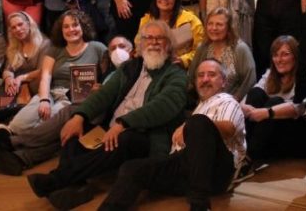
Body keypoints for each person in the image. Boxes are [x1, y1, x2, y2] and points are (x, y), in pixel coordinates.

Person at [25, 20, 187, 209]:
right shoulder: (130, 68)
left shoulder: (176, 74)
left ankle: (56, 180)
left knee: (124, 140)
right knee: (74, 130)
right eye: (148, 38)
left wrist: (123, 123)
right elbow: (104, 93)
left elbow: (163, 106)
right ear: (140, 44)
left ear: (168, 44)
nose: (153, 42)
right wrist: (80, 116)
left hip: (144, 135)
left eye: (159, 38)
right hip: (113, 127)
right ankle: (77, 188)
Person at [98, 58, 246, 211]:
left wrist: (190, 124)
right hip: (185, 168)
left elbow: (229, 128)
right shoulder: (199, 107)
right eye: (200, 75)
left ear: (223, 81)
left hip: (216, 171)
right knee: (132, 168)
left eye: (211, 75)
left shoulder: (228, 101)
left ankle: (199, 205)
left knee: (198, 122)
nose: (205, 79)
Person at [0, 34, 132, 175]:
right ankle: (20, 159)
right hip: (96, 112)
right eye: (113, 48)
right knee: (67, 135)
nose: (118, 51)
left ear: (132, 49)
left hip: (111, 117)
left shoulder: (135, 68)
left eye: (122, 46)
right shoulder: (109, 71)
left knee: (70, 113)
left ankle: (12, 142)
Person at [0, 9, 106, 141]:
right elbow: (46, 76)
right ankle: (5, 131)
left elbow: (108, 75)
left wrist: (100, 87)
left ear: (83, 26)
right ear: (61, 30)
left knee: (47, 123)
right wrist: (44, 100)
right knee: (20, 123)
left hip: (71, 99)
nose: (71, 29)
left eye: (75, 25)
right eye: (66, 26)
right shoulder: (55, 49)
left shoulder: (97, 48)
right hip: (50, 92)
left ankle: (9, 139)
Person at [242, 35, 306, 162]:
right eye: (275, 55)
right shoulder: (270, 74)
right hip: (272, 132)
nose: (279, 59)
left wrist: (267, 112)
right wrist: (244, 107)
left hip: (298, 135)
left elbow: (298, 108)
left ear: (296, 57)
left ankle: (249, 158)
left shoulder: (303, 77)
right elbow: (252, 95)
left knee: (275, 102)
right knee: (256, 93)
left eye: (285, 54)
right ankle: (245, 150)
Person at [189, 7, 256, 102]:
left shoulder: (240, 49)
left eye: (219, 24)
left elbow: (250, 80)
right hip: (205, 103)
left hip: (232, 104)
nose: (214, 28)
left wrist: (235, 100)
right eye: (210, 24)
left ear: (229, 28)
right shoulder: (202, 48)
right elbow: (192, 77)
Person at [136, 0, 204, 69]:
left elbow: (200, 51)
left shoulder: (192, 21)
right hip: (151, 66)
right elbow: (139, 46)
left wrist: (183, 60)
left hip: (180, 69)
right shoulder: (146, 20)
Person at [0, 11, 50, 99]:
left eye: (20, 24)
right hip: (16, 84)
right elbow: (8, 69)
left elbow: (42, 70)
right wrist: (8, 78)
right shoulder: (13, 46)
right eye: (13, 27)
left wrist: (21, 78)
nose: (18, 29)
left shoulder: (44, 43)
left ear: (29, 24)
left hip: (34, 82)